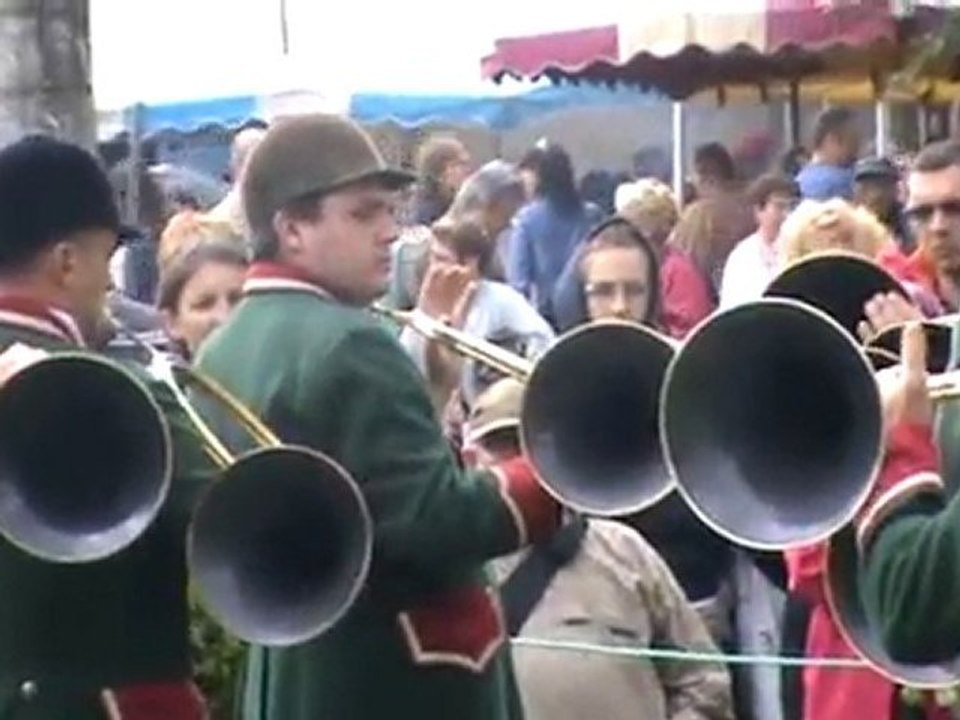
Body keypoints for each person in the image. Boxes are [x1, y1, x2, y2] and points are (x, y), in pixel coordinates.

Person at [196, 114, 562, 720]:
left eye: (390, 211)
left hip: (299, 675)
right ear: (291, 229)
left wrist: (431, 388)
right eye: (363, 214)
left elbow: (366, 487)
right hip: (397, 677)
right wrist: (551, 475)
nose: (390, 232)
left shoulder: (223, 346)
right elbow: (431, 518)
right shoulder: (352, 342)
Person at [0, 135, 214, 718]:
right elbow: (222, 515)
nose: (111, 287)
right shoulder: (120, 391)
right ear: (68, 262)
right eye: (105, 261)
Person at [470, 378, 735, 720]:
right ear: (471, 458)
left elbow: (703, 681)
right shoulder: (449, 566)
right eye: (501, 446)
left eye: (526, 445)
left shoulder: (623, 550)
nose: (516, 463)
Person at [796, 107, 861, 201]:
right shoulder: (842, 182)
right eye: (853, 140)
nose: (857, 148)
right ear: (832, 140)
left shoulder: (800, 179)